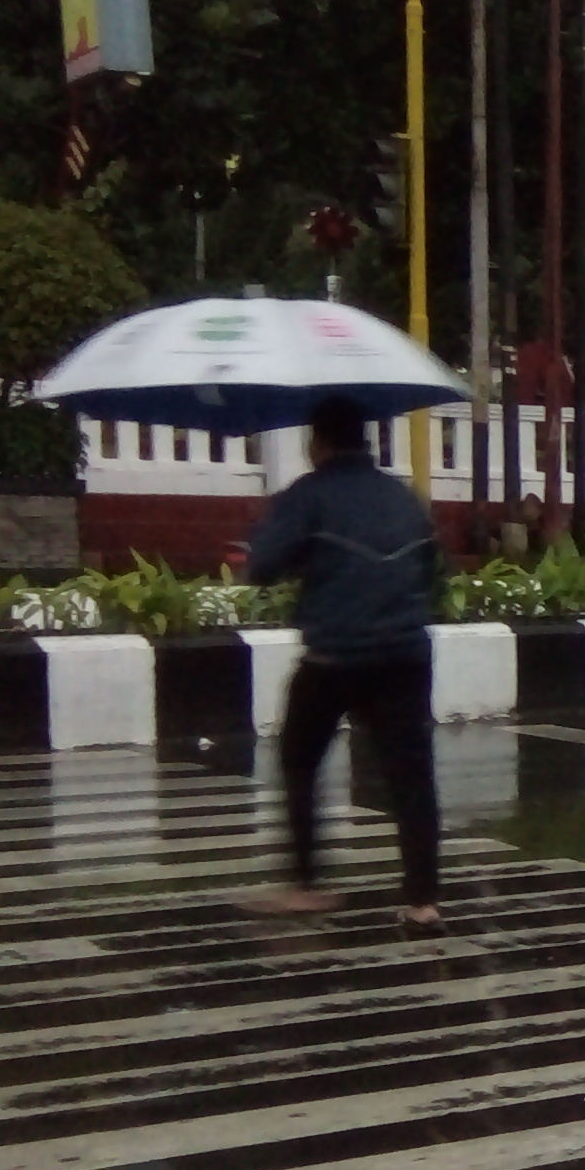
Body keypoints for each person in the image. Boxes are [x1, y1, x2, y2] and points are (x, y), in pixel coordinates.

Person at [243, 396, 445, 931]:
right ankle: (423, 900)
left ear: (319, 443)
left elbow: (260, 567)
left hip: (335, 656)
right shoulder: (405, 498)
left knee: (300, 758)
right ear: (366, 440)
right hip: (404, 652)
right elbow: (432, 576)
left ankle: (307, 886)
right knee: (411, 776)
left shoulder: (308, 495)